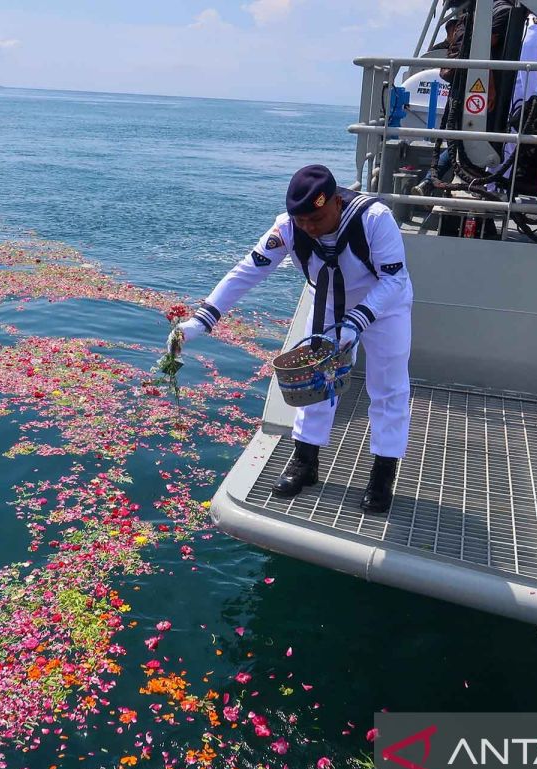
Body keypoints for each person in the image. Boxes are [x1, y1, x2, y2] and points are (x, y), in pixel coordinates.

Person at [169, 166, 413, 513]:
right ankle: (305, 461)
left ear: (337, 203)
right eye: (303, 221)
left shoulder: (375, 219)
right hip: (329, 302)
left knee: (388, 386)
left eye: (317, 218)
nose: (310, 228)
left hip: (383, 304)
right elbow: (246, 272)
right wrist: (200, 322)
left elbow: (394, 279)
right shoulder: (288, 227)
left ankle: (382, 473)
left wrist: (357, 322)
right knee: (313, 380)